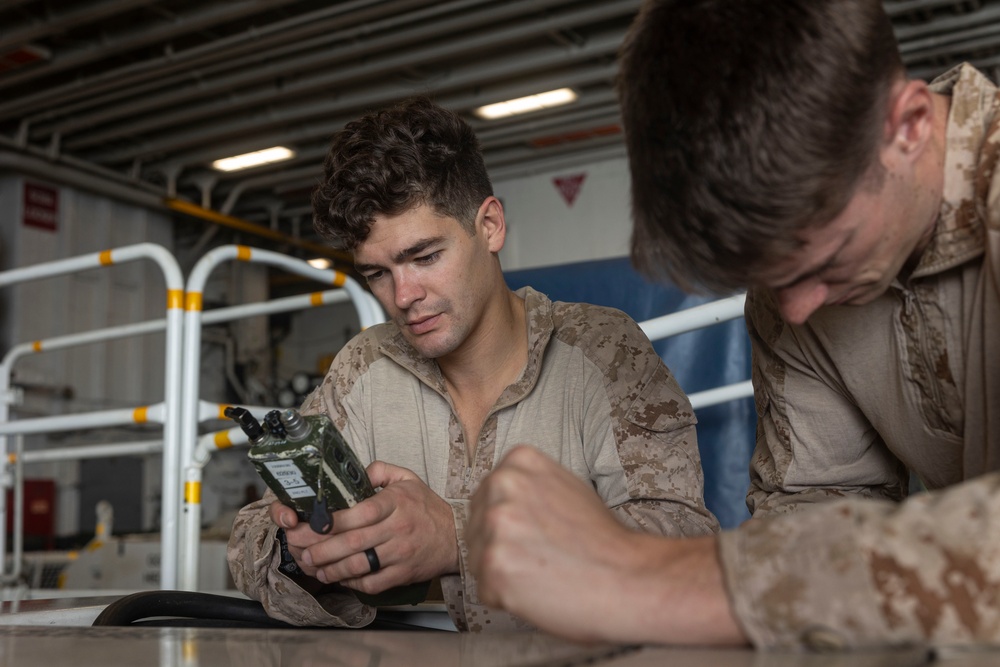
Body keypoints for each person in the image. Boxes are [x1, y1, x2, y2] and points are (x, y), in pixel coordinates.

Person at [466, 0, 1000, 650]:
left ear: (909, 126)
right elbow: (816, 520)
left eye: (824, 261)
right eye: (772, 279)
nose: (799, 309)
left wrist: (650, 578)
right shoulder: (790, 297)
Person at [227, 96, 719, 632]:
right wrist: (307, 552)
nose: (404, 295)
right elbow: (250, 540)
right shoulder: (364, 366)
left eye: (425, 256)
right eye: (376, 274)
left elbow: (681, 537)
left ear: (489, 226)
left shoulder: (602, 351)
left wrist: (458, 537)